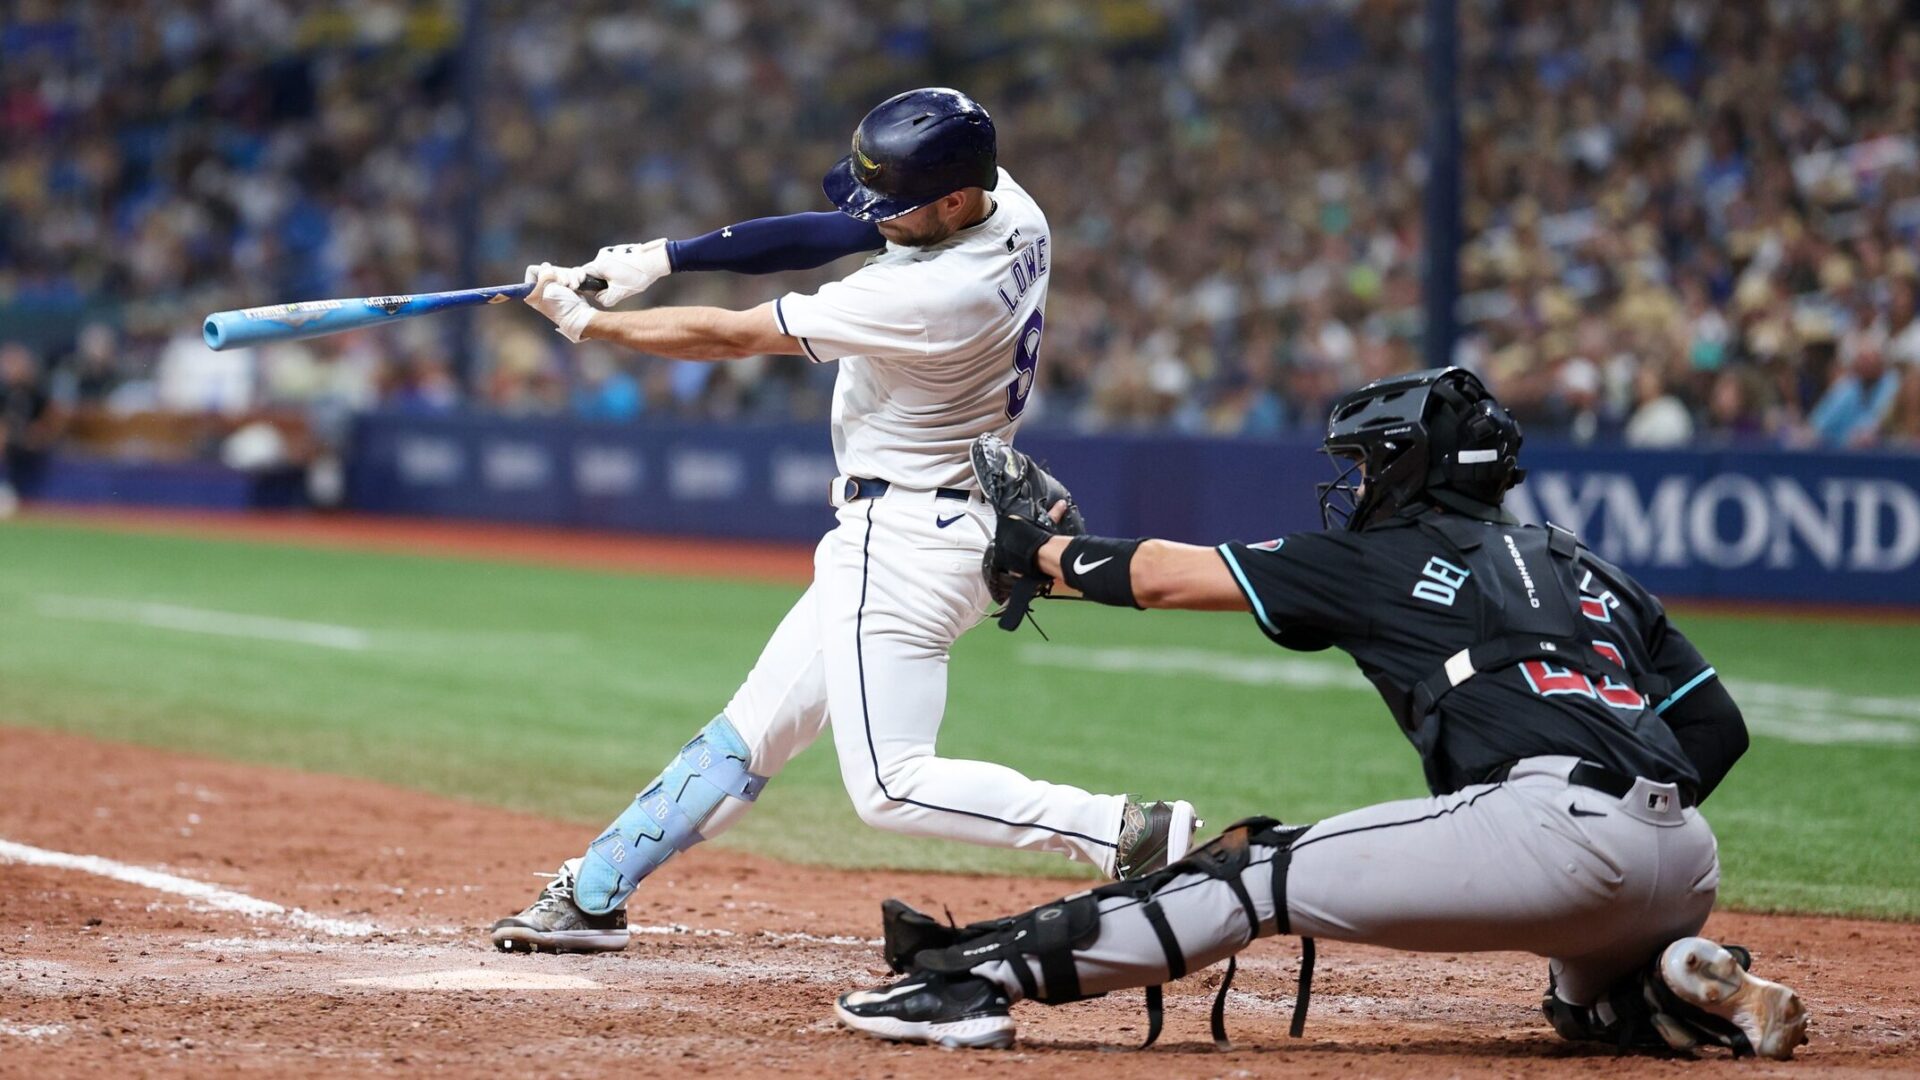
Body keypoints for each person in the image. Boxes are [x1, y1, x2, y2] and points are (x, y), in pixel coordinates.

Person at [834, 367, 1809, 1060]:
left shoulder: (1384, 557)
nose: (1359, 482)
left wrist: (1039, 554)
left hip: (1554, 835)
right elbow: (1717, 730)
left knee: (1249, 870)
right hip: (1683, 862)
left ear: (1413, 466)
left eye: (1371, 463)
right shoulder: (1587, 565)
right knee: (1585, 1012)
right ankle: (1667, 980)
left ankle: (974, 980)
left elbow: (1169, 576)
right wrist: (1635, 826)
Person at [495, 88, 1198, 953]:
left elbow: (732, 337)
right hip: (937, 522)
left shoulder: (934, 296)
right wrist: (663, 257)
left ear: (952, 201)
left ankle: (1122, 830)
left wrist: (592, 324)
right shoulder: (1010, 209)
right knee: (757, 728)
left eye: (895, 205)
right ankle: (594, 891)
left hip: (903, 543)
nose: (876, 219)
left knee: (891, 787)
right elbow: (833, 232)